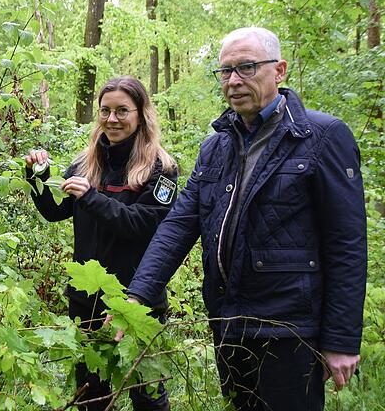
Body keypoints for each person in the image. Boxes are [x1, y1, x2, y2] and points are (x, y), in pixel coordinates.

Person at [125, 27, 367, 410]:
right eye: (225, 71)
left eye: (247, 68)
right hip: (228, 322)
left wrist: (341, 339)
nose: (234, 81)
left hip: (289, 330)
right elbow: (178, 226)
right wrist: (135, 298)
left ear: (280, 70)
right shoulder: (217, 145)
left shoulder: (322, 137)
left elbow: (347, 243)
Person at [26, 76, 178, 411]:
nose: (112, 119)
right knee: (91, 395)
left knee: (147, 394)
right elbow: (55, 211)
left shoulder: (160, 169)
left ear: (141, 114)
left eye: (122, 110)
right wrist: (38, 175)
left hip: (138, 300)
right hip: (86, 302)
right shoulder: (86, 163)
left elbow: (143, 225)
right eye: (105, 111)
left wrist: (93, 198)